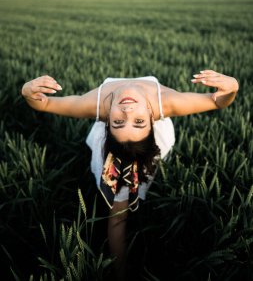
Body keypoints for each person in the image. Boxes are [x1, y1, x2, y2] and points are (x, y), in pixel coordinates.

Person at [21, 69, 239, 280]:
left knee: (123, 182)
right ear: (150, 117)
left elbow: (45, 104)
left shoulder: (99, 105)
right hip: (134, 144)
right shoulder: (167, 102)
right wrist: (232, 88)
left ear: (107, 122)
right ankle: (121, 267)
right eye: (139, 122)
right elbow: (217, 101)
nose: (127, 113)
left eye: (118, 122)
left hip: (121, 146)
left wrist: (27, 91)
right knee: (124, 188)